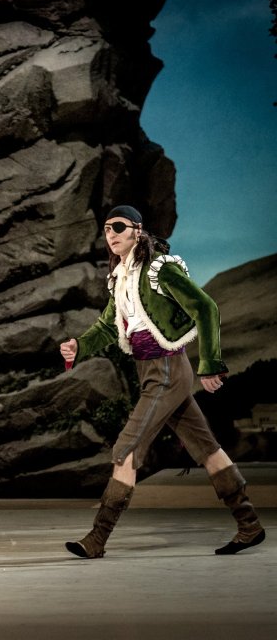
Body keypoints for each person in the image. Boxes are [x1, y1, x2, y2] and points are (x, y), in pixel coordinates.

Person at [59, 204, 266, 558]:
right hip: (151, 371)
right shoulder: (121, 276)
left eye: (119, 227)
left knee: (125, 450)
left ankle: (97, 539)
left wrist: (211, 364)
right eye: (107, 228)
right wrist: (79, 345)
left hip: (167, 370)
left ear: (137, 231)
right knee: (207, 449)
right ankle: (249, 524)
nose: (111, 234)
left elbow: (206, 307)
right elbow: (110, 326)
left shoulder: (159, 270)